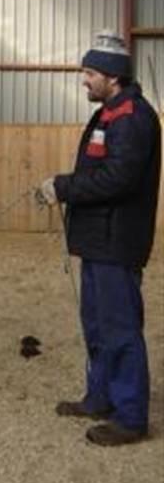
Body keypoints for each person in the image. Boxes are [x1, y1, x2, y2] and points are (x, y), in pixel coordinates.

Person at [37, 30, 161, 447]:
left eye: (89, 72)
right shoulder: (111, 112)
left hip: (116, 240)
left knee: (120, 327)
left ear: (111, 75)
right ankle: (101, 396)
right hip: (98, 240)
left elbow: (119, 178)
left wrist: (63, 186)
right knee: (97, 324)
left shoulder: (133, 118)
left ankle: (130, 417)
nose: (84, 79)